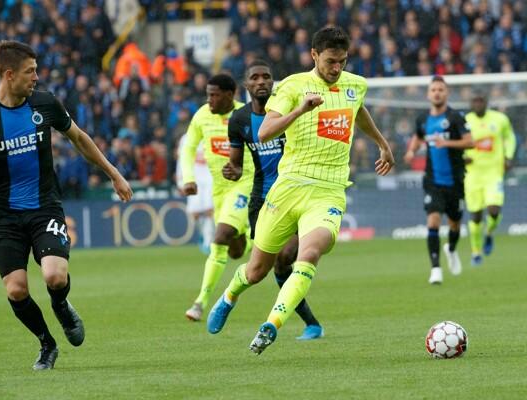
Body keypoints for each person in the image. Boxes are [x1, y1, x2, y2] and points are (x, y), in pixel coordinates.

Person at [206, 27, 395, 354]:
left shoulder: (355, 85)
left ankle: (272, 325)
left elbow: (357, 110)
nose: (337, 69)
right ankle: (230, 295)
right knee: (256, 271)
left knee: (308, 254)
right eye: (331, 62)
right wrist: (301, 111)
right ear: (314, 56)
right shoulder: (293, 86)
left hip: (329, 191)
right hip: (288, 188)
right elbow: (264, 132)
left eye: (342, 62)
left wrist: (382, 144)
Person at [0, 40, 133, 370]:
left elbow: (79, 138)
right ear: (9, 75)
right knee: (16, 289)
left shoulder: (45, 103)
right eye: (30, 72)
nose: (37, 77)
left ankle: (61, 305)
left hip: (44, 207)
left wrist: (113, 174)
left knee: (54, 276)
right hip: (5, 215)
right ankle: (46, 344)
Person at [219, 59, 323, 340]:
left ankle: (310, 324)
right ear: (247, 84)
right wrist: (232, 171)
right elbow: (237, 164)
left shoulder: (290, 108)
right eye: (255, 77)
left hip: (299, 194)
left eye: (267, 76)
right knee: (262, 270)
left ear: (274, 82)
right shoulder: (239, 120)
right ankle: (230, 298)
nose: (262, 81)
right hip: (262, 200)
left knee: (287, 256)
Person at [180, 74, 253, 321]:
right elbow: (188, 147)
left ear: (230, 95)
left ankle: (200, 302)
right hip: (219, 190)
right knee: (234, 251)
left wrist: (243, 168)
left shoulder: (246, 114)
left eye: (214, 95)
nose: (209, 99)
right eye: (208, 94)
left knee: (220, 236)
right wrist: (187, 178)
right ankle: (247, 235)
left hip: (244, 184)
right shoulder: (202, 115)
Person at [404, 76, 473, 284]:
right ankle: (436, 269)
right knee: (433, 221)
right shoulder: (423, 119)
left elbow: (470, 142)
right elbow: (418, 136)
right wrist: (411, 151)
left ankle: (451, 249)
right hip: (432, 181)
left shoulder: (455, 118)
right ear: (428, 94)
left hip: (455, 181)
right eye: (433, 89)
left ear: (447, 93)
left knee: (454, 224)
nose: (437, 93)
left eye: (440, 89)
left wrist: (447, 143)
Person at [463, 93, 516, 266]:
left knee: (494, 210)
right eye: (475, 101)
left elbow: (510, 137)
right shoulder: (465, 121)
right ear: (471, 104)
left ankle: (489, 233)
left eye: (481, 100)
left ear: (486, 103)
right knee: (476, 215)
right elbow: (457, 142)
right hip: (472, 174)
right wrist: (461, 157)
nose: (478, 103)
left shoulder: (500, 119)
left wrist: (508, 157)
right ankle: (476, 251)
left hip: (494, 173)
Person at [175, 133, 215, 255]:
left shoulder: (212, 133)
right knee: (195, 213)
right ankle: (203, 234)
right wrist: (180, 180)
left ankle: (208, 241)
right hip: (193, 177)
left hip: (210, 177)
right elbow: (181, 158)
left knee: (210, 210)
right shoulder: (186, 138)